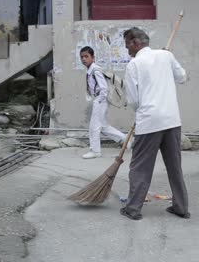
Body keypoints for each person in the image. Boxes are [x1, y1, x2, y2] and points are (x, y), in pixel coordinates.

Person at [120, 27, 189, 220]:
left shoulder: (134, 65)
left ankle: (132, 209)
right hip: (172, 120)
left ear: (135, 43)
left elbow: (133, 100)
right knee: (175, 166)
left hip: (149, 121)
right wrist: (168, 59)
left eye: (128, 46)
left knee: (140, 167)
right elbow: (182, 77)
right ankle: (181, 207)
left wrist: (141, 111)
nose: (127, 51)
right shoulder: (166, 56)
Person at [79, 46, 129, 159]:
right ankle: (126, 140)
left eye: (86, 56)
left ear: (93, 58)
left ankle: (95, 151)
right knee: (103, 126)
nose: (83, 59)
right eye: (81, 57)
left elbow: (104, 88)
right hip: (100, 100)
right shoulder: (90, 70)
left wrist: (99, 100)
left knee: (94, 127)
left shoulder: (95, 70)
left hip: (101, 100)